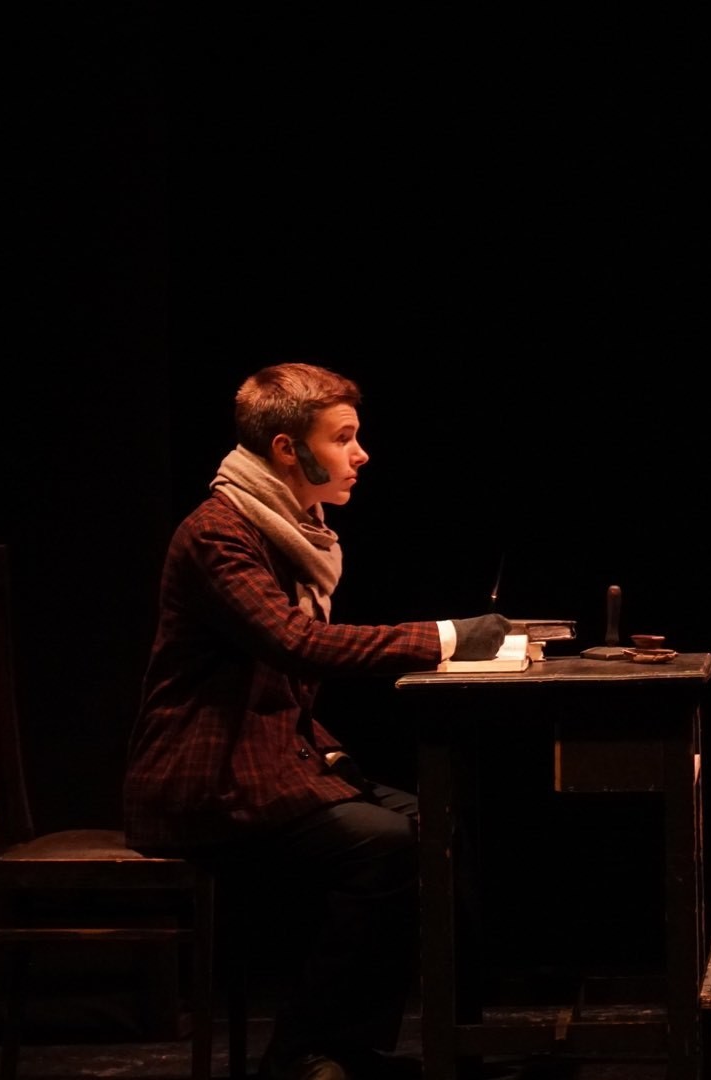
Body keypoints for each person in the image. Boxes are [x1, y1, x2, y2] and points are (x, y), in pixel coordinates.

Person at [122, 362, 512, 1080]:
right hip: (206, 781)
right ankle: (303, 1052)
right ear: (286, 448)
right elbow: (295, 643)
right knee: (388, 846)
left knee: (438, 826)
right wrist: (446, 638)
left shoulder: (292, 532)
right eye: (343, 438)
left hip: (269, 763)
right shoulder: (219, 534)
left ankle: (412, 1046)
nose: (361, 454)